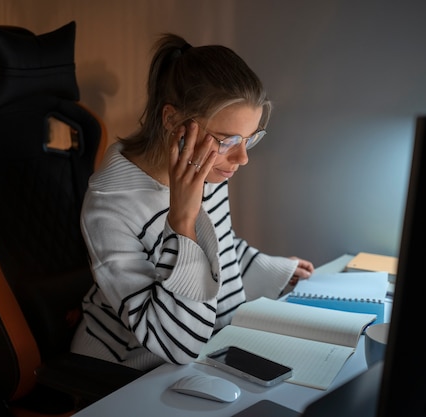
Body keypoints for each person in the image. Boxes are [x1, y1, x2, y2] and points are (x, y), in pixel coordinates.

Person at [70, 33, 314, 371]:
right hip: (127, 369)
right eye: (228, 140)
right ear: (172, 121)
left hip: (204, 350)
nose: (242, 158)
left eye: (250, 138)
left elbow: (217, 253)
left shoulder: (204, 168)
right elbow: (175, 341)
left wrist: (274, 272)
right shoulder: (110, 206)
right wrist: (182, 222)